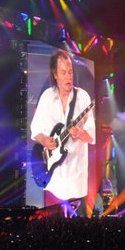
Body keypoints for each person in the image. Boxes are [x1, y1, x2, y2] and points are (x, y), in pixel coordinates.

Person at [30, 49, 95, 215]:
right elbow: (35, 129)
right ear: (55, 74)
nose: (68, 77)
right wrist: (44, 141)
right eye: (63, 72)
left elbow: (91, 136)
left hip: (76, 180)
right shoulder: (47, 97)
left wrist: (80, 134)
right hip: (53, 180)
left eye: (70, 72)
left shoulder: (83, 97)